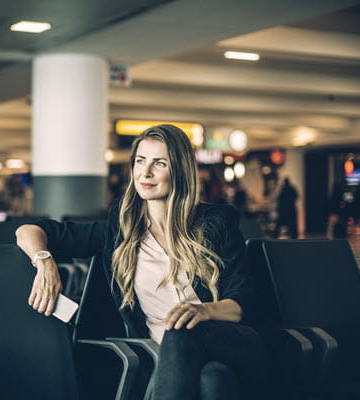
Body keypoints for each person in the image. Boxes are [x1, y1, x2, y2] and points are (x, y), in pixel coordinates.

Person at [16, 125, 270, 400]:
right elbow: (28, 231)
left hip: (231, 342)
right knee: (213, 380)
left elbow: (242, 301)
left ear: (180, 170)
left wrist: (204, 311)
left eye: (159, 163)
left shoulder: (216, 221)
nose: (145, 173)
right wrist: (44, 262)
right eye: (140, 161)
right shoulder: (121, 229)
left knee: (181, 332)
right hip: (173, 359)